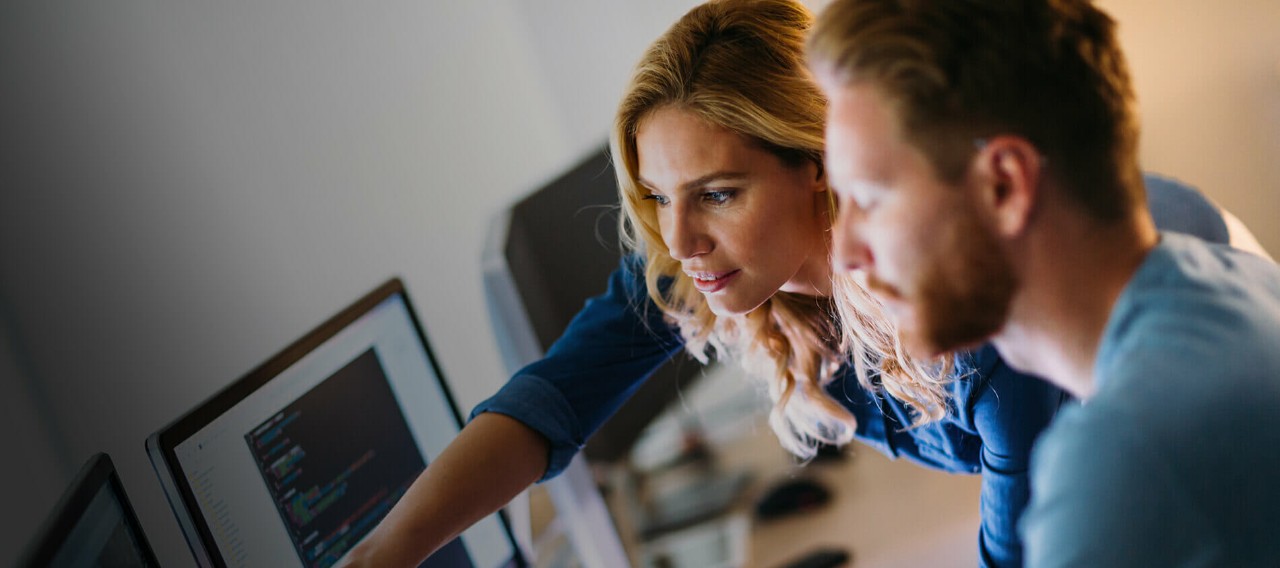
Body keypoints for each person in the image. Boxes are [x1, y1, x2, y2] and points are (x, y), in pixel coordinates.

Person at [338, 1, 1260, 566]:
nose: (681, 241)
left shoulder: (982, 300)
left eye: (719, 194)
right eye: (658, 199)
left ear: (819, 164)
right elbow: (552, 397)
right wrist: (383, 556)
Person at [808, 0, 1280, 566]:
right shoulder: (1236, 281)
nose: (848, 256)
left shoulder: (1126, 459)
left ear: (1004, 186)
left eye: (870, 199)